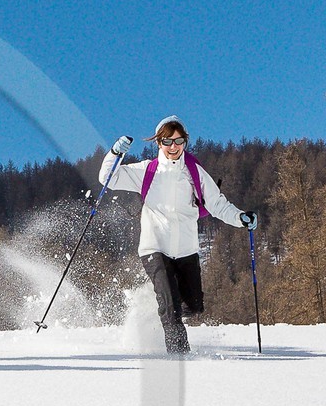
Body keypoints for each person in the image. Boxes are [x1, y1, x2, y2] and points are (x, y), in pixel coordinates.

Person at [98, 115, 257, 355]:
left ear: (185, 142)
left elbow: (217, 204)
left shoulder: (194, 173)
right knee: (171, 309)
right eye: (167, 141)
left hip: (186, 249)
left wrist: (240, 217)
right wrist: (114, 154)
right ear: (158, 143)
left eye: (178, 141)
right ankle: (179, 357)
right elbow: (109, 178)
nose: (173, 147)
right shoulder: (147, 171)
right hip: (154, 247)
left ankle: (161, 305)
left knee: (194, 306)